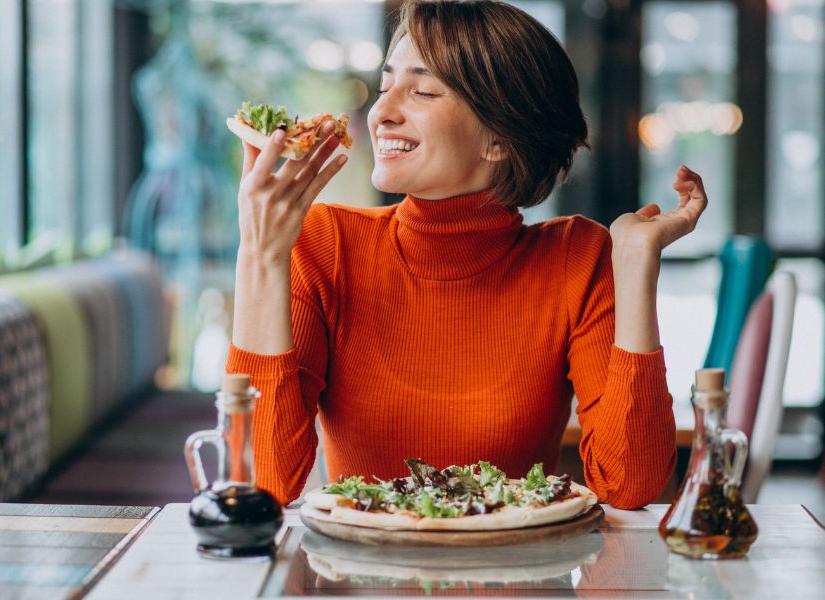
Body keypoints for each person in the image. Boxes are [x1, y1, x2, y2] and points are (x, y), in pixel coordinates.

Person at [226, 0, 707, 510]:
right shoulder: (324, 244)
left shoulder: (577, 257)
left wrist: (633, 267)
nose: (381, 113)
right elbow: (261, 486)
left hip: (518, 581)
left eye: (424, 90)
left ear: (499, 137)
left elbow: (631, 484)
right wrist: (261, 255)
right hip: (364, 581)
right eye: (386, 85)